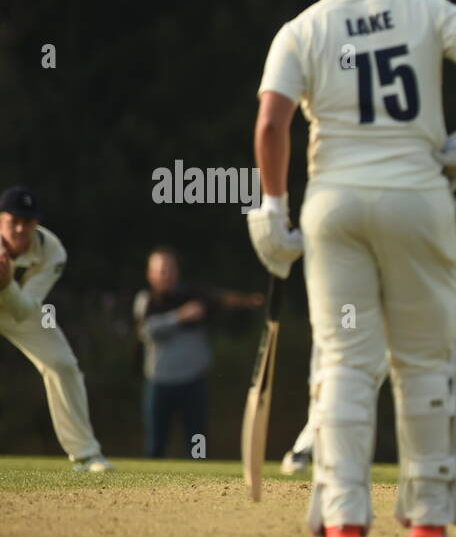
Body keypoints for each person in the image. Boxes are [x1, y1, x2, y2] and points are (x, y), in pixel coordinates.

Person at [247, 0, 456, 537]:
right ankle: (427, 515)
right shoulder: (426, 9)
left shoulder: (301, 28)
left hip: (333, 206)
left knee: (342, 362)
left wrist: (275, 209)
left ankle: (342, 519)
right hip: (418, 199)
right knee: (425, 360)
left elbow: (271, 124)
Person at [280, 232, 456, 480]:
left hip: (451, 330)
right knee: (349, 385)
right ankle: (302, 451)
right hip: (392, 325)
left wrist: (446, 298)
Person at [0, 185, 112, 471]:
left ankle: (86, 455)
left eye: (27, 222)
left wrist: (6, 283)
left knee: (62, 364)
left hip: (18, 307)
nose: (20, 229)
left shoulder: (53, 251)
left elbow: (24, 309)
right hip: (14, 297)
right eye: (14, 222)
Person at [133, 247, 262, 458]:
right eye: (162, 270)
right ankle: (151, 482)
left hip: (193, 382)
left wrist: (247, 301)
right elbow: (146, 331)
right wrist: (179, 317)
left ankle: (200, 475)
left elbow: (221, 298)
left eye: (171, 269)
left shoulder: (193, 295)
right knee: (156, 441)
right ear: (151, 275)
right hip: (159, 382)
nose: (168, 275)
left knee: (197, 438)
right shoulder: (146, 300)